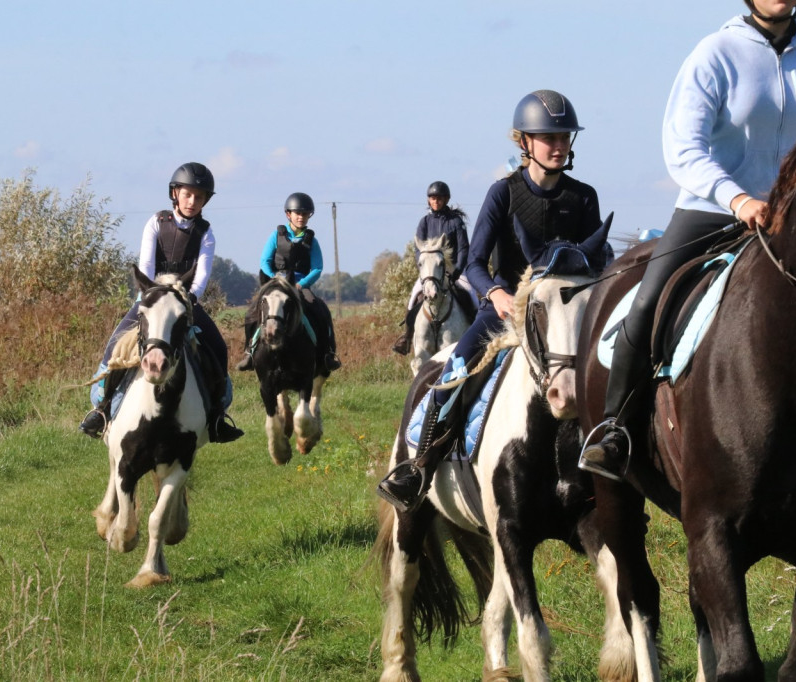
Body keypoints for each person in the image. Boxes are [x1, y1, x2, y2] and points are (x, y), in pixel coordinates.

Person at [579, 0, 796, 480]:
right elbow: (683, 145)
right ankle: (614, 429)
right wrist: (737, 198)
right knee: (646, 302)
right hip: (713, 209)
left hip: (790, 217)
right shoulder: (715, 53)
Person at [378, 90, 605, 512]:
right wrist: (496, 293)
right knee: (455, 371)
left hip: (565, 317)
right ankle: (419, 467)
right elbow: (475, 263)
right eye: (548, 137)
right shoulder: (502, 194)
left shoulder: (584, 197)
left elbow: (595, 262)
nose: (559, 145)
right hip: (503, 312)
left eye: (564, 137)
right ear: (524, 143)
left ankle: (619, 467)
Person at [79, 162, 245, 443]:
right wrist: (153, 294)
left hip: (184, 301)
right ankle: (102, 410)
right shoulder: (156, 222)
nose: (192, 202)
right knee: (114, 345)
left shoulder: (206, 233)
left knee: (217, 347)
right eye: (188, 194)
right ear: (175, 193)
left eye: (199, 197)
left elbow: (201, 277)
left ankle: (216, 417)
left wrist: (187, 299)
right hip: (151, 297)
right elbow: (146, 266)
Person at [236, 192, 342, 373]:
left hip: (300, 283)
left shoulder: (312, 241)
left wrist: (302, 284)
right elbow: (264, 262)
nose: (301, 217)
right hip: (276, 283)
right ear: (288, 215)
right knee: (252, 313)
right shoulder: (275, 236)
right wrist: (274, 279)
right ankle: (249, 352)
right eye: (297, 213)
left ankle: (327, 354)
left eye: (305, 214)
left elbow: (317, 268)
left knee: (319, 309)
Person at [391, 181, 470, 355]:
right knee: (413, 299)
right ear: (429, 200)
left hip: (454, 270)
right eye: (433, 198)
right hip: (430, 273)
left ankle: (477, 335)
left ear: (446, 199)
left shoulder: (456, 222)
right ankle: (407, 337)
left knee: (473, 297)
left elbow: (464, 248)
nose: (436, 201)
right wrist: (425, 269)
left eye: (439, 198)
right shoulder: (424, 222)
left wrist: (457, 272)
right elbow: (418, 250)